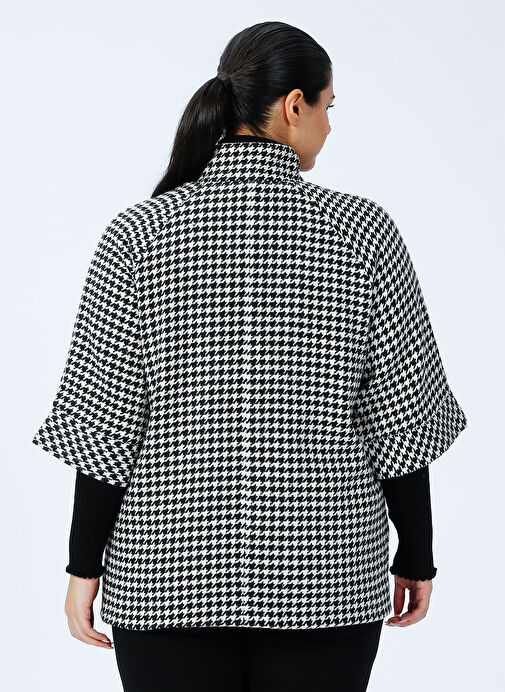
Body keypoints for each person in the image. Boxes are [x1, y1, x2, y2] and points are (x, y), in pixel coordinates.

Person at [32, 20, 467, 692]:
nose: (329, 125)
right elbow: (402, 422)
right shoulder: (363, 234)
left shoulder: (138, 235)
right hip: (324, 580)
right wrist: (418, 553)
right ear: (294, 105)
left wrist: (82, 566)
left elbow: (104, 427)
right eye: (328, 106)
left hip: (165, 579)